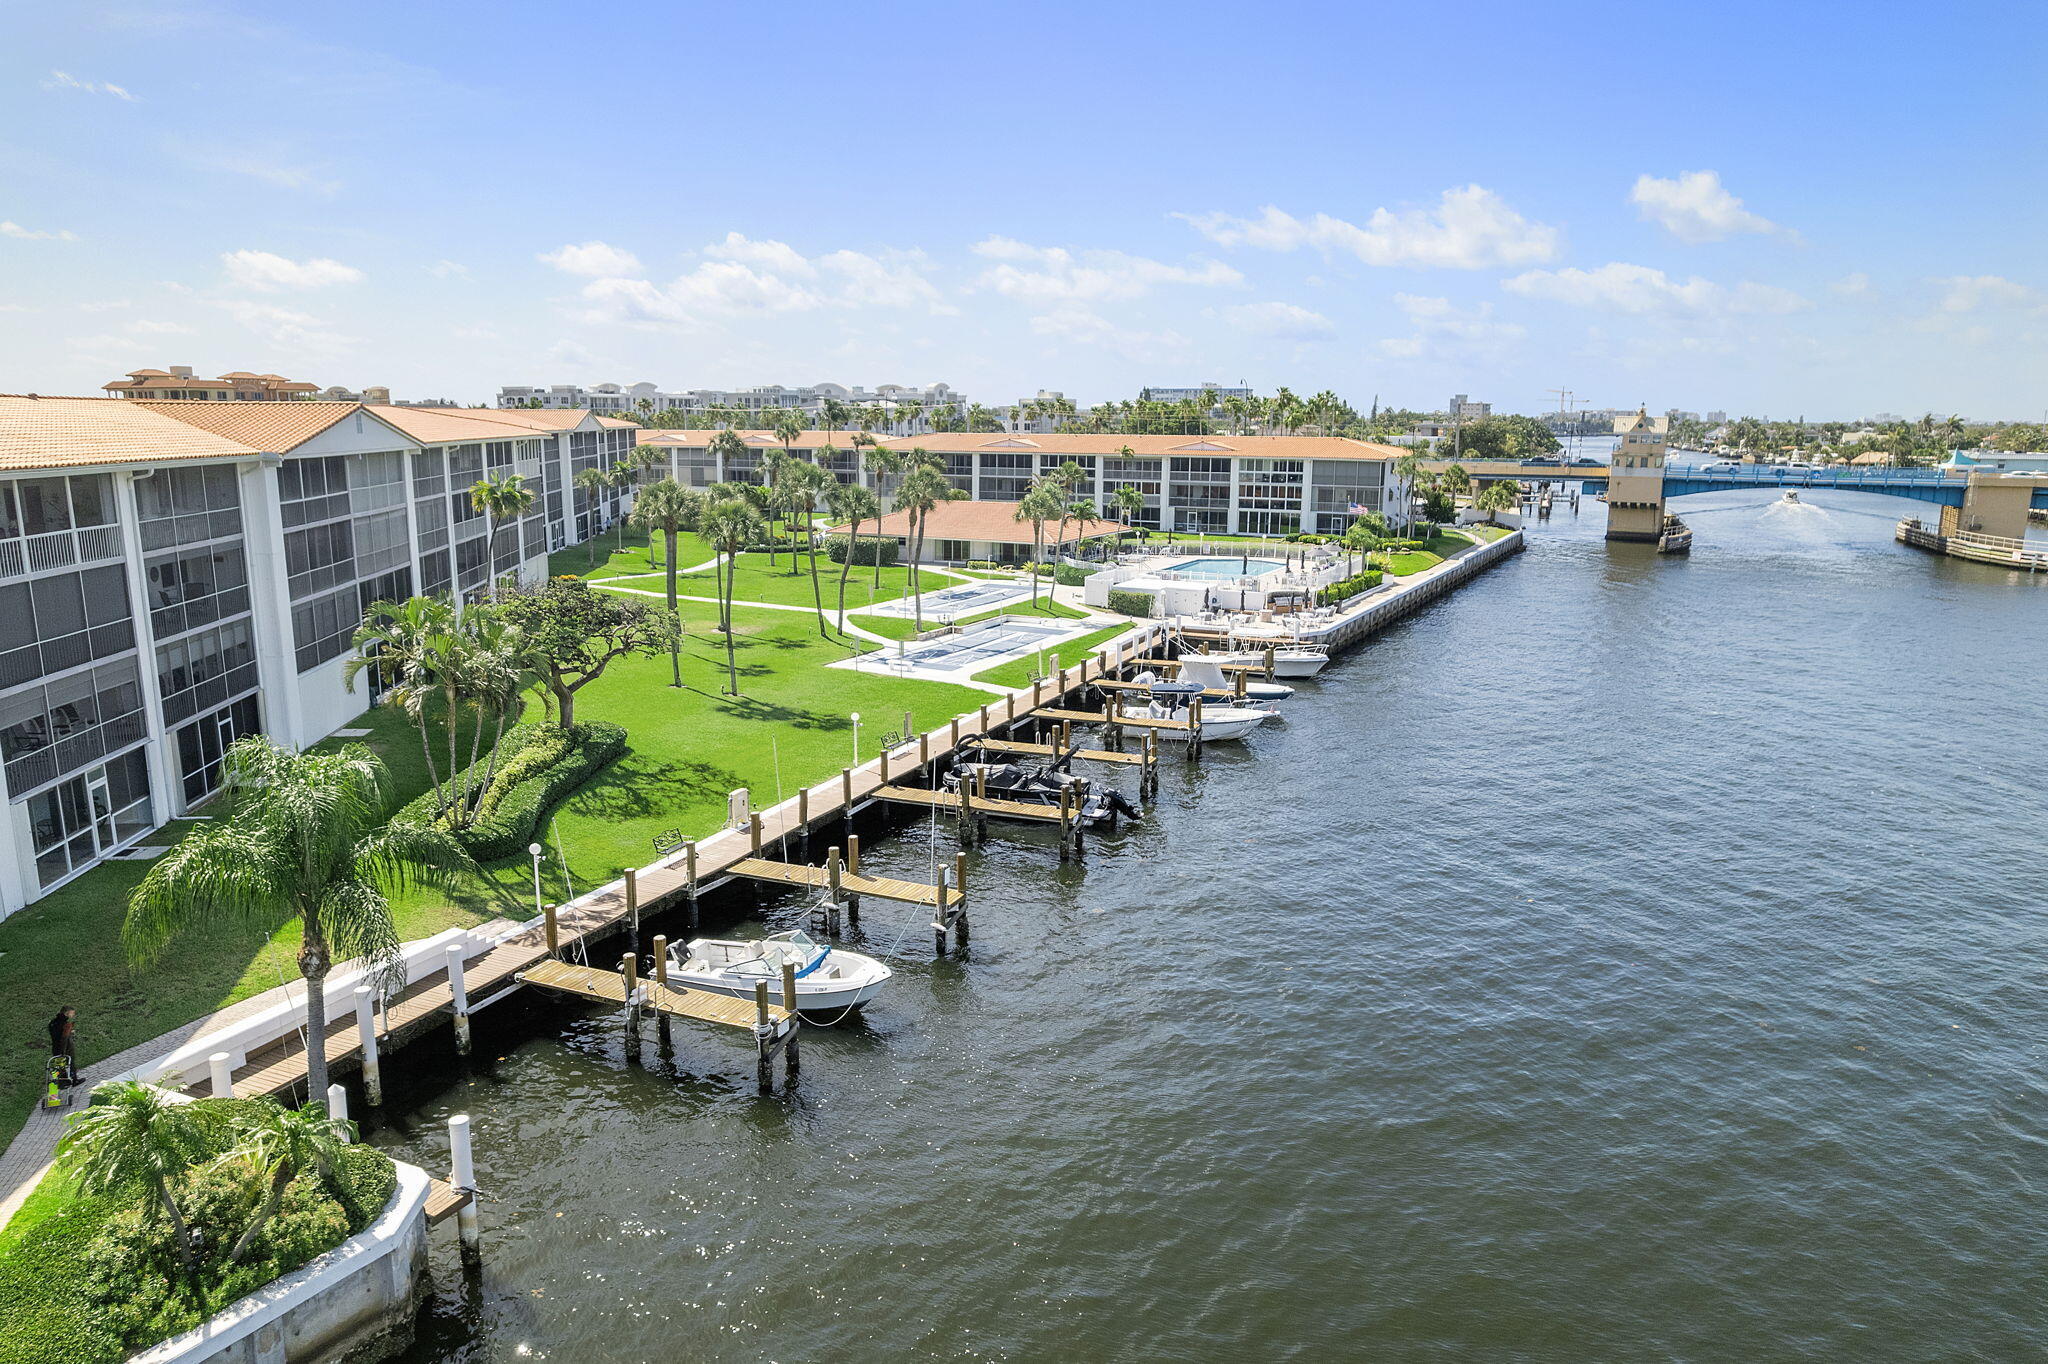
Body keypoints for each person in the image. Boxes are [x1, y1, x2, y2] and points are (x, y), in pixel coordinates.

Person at [46, 1006, 76, 1088]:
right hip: (65, 1047)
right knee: (70, 1062)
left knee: (59, 1065)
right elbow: (64, 1038)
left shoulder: (53, 1022)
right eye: (72, 1013)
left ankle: (62, 1082)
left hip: (55, 1046)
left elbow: (55, 1034)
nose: (73, 1015)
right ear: (66, 1013)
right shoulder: (66, 1024)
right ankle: (74, 1080)